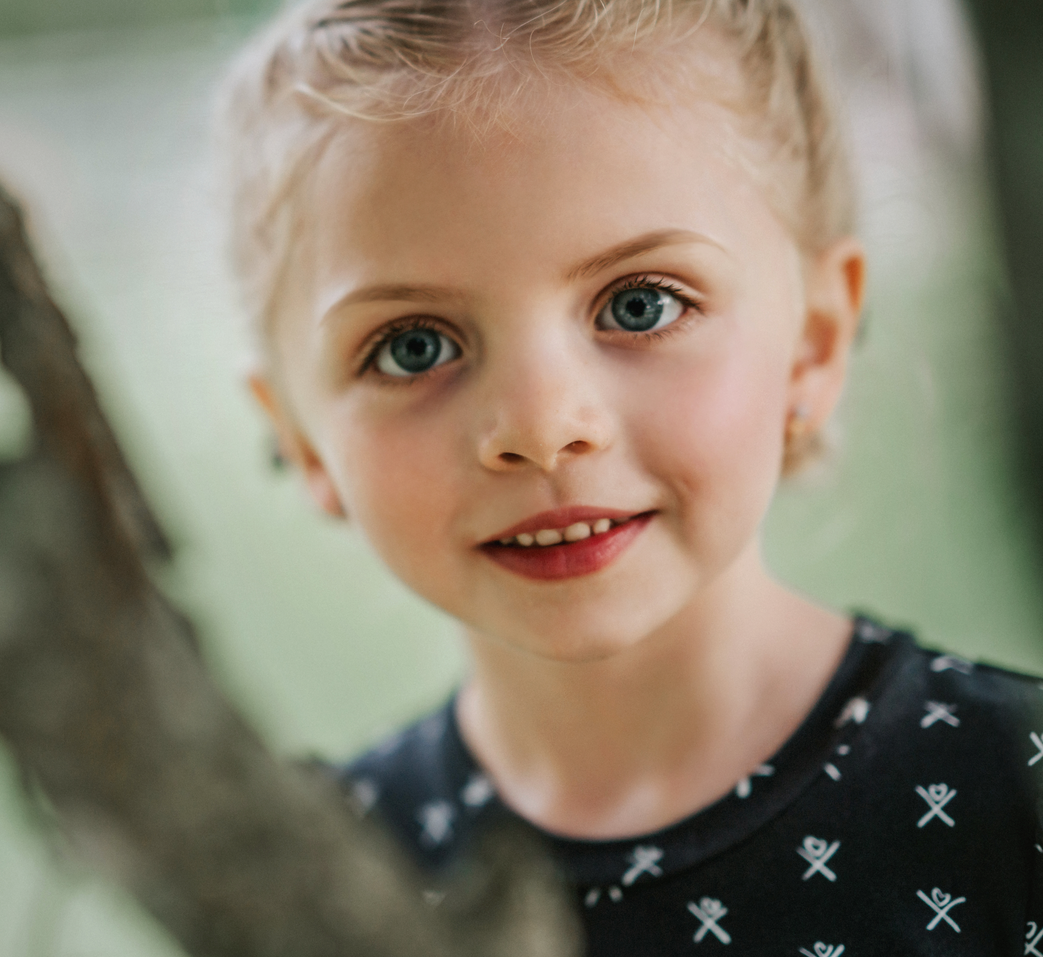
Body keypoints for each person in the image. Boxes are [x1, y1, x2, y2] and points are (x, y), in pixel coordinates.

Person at [215, 0, 1043, 951]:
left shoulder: (1014, 792)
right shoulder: (318, 881)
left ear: (813, 342)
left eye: (640, 304)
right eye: (413, 347)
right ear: (301, 437)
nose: (539, 430)